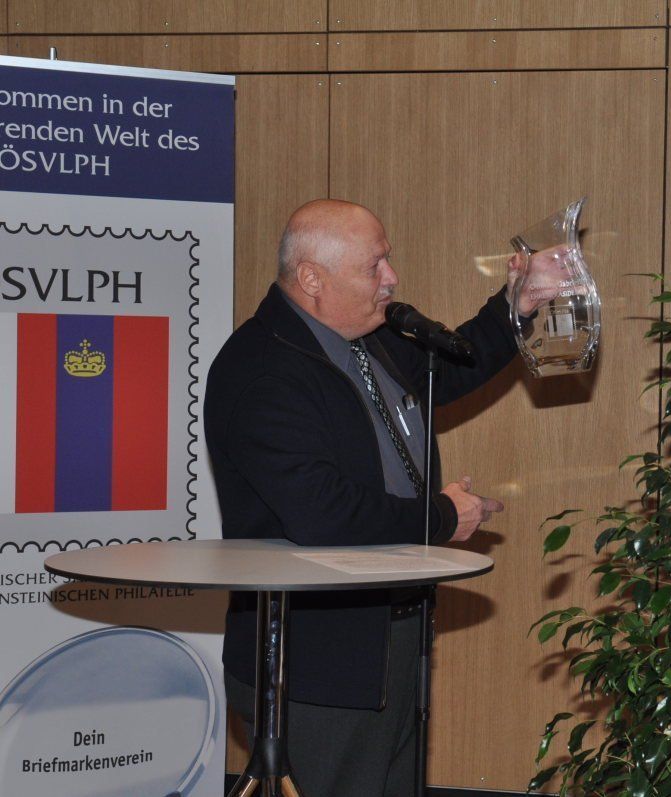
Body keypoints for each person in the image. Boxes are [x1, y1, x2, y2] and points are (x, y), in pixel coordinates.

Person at [204, 199, 560, 795]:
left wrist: (516, 304)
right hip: (316, 666)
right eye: (375, 266)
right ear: (312, 278)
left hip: (391, 640)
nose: (392, 277)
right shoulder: (261, 369)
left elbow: (446, 370)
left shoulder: (367, 337)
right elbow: (322, 513)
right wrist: (440, 518)